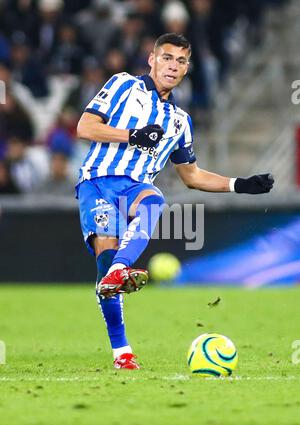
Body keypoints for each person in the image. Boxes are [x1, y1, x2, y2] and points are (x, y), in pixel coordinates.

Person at [76, 33, 274, 370]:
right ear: (152, 59)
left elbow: (192, 176)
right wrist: (133, 135)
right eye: (167, 57)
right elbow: (85, 127)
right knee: (103, 263)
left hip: (134, 187)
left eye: (181, 61)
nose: (174, 65)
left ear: (186, 69)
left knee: (154, 200)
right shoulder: (123, 85)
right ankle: (121, 351)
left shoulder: (179, 122)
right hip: (96, 182)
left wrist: (240, 184)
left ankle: (120, 269)